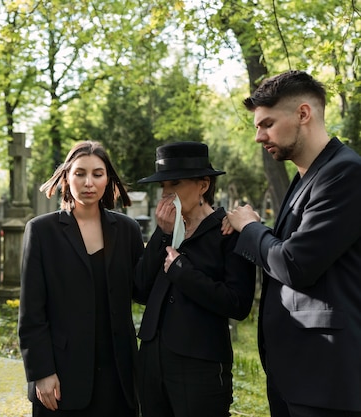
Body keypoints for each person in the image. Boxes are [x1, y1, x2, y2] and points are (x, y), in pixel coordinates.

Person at [223, 70, 361, 417]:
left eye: (267, 124)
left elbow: (295, 264)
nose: (259, 136)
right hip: (295, 375)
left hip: (328, 380)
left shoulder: (345, 173)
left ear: (303, 114)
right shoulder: (307, 176)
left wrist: (251, 228)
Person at [18, 141, 144, 416]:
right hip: (62, 377)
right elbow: (31, 313)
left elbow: (142, 291)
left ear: (108, 179)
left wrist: (166, 235)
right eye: (80, 173)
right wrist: (42, 373)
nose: (89, 182)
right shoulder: (42, 231)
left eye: (97, 174)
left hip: (118, 377)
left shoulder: (127, 230)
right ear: (66, 177)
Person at [135, 141, 256, 417]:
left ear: (203, 185)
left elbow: (238, 304)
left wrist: (181, 270)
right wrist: (162, 235)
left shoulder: (228, 231)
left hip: (201, 365)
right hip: (151, 361)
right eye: (162, 187)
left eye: (174, 184)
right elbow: (140, 290)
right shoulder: (166, 230)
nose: (166, 194)